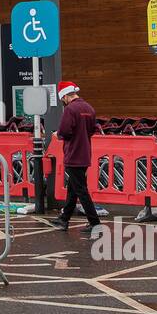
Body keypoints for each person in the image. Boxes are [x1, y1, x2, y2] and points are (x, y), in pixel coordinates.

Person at [52, 81, 103, 236]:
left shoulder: (70, 109)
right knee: (73, 187)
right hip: (85, 153)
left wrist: (57, 134)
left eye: (63, 99)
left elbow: (65, 131)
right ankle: (64, 219)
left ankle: (95, 223)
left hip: (73, 153)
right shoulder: (89, 108)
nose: (63, 102)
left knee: (80, 189)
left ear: (66, 96)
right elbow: (93, 129)